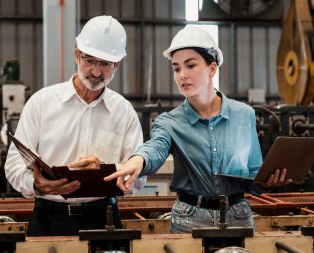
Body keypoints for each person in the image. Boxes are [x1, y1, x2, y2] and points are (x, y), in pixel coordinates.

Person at [104, 25, 292, 233]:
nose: (182, 75)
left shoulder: (243, 114)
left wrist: (268, 183)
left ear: (212, 68)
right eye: (176, 68)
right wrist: (138, 159)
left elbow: (253, 179)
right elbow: (155, 148)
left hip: (239, 216)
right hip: (189, 220)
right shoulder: (170, 122)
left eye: (190, 65)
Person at [5, 15, 145, 236]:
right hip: (48, 219)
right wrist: (35, 185)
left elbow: (139, 178)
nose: (96, 72)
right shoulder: (42, 103)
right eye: (90, 60)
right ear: (76, 55)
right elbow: (13, 165)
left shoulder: (124, 111)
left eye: (105, 64)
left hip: (104, 218)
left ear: (117, 65)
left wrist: (108, 172)